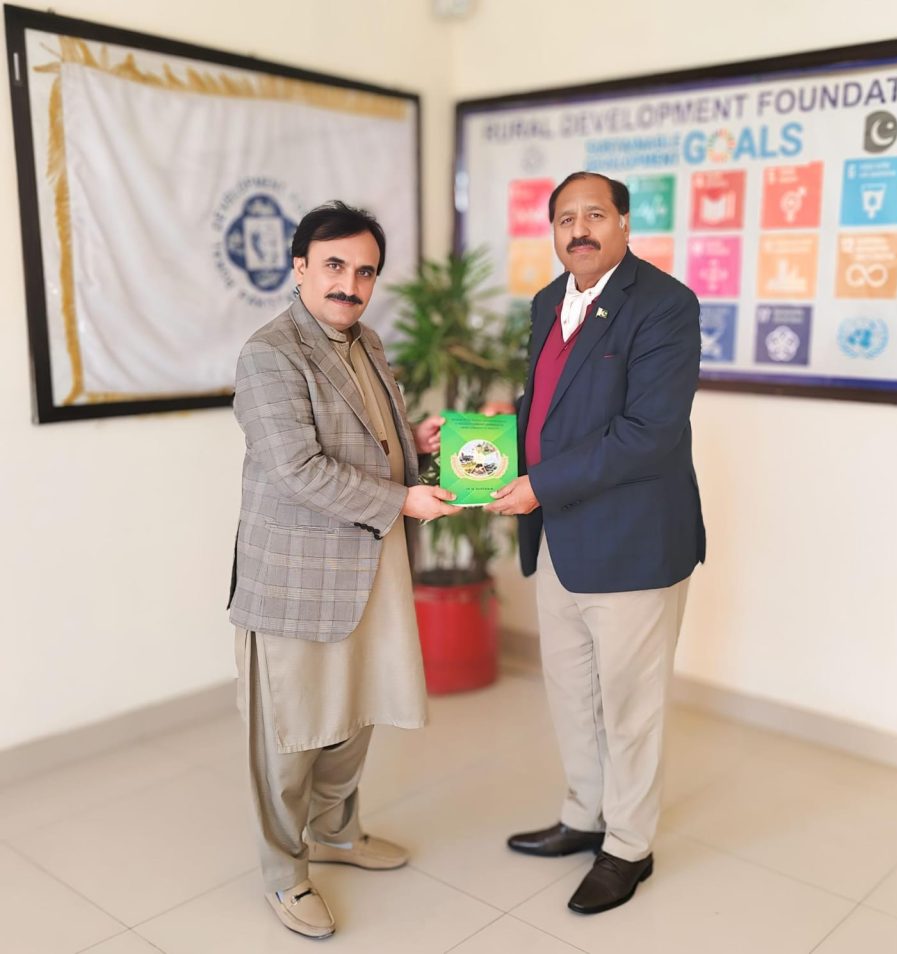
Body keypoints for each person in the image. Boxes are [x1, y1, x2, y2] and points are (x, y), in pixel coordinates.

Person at [228, 200, 457, 939]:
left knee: (354, 715)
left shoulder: (367, 340)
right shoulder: (270, 353)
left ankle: (335, 833)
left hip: (369, 566)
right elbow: (298, 468)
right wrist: (402, 498)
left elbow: (365, 436)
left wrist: (413, 440)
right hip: (297, 575)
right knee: (291, 735)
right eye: (334, 265)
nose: (350, 284)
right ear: (300, 267)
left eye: (365, 271)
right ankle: (284, 873)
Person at [487, 172, 705, 915]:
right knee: (572, 693)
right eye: (565, 219)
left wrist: (540, 484)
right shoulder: (549, 301)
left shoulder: (665, 304)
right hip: (560, 537)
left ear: (624, 223)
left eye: (595, 215)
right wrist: (500, 430)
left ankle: (629, 846)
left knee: (630, 706)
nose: (579, 230)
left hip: (633, 542)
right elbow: (550, 405)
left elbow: (649, 432)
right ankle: (585, 815)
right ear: (553, 231)